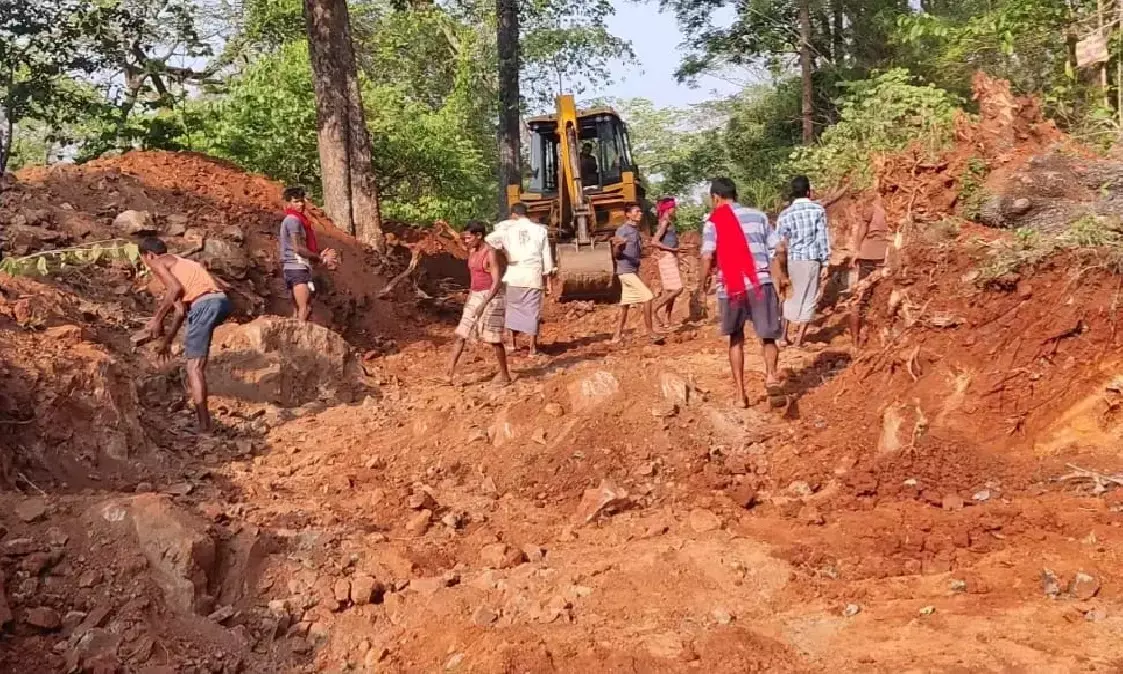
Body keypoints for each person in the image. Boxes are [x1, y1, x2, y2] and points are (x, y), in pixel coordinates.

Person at [699, 178, 783, 408]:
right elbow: (778, 249)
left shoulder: (713, 222)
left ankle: (740, 394)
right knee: (768, 336)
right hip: (760, 282)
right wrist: (781, 279)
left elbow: (707, 257)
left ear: (716, 198)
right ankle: (771, 376)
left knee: (736, 339)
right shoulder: (759, 216)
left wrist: (702, 285)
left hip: (730, 286)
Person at [135, 237, 232, 433]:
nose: (147, 264)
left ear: (149, 255)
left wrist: (157, 319)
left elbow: (175, 289)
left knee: (194, 368)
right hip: (220, 301)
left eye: (144, 259)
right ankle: (204, 422)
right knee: (195, 364)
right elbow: (180, 311)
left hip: (204, 304)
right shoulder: (183, 263)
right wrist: (167, 342)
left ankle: (205, 428)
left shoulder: (158, 263)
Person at [447, 221, 511, 385]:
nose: (466, 241)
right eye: (465, 238)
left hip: (492, 295)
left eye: (468, 238)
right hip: (475, 294)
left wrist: (484, 303)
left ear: (479, 236)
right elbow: (473, 276)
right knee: (461, 334)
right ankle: (448, 375)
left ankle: (505, 375)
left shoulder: (490, 253)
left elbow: (496, 282)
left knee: (493, 338)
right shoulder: (472, 249)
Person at [486, 203, 554, 357]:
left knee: (512, 310)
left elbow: (489, 240)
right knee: (532, 312)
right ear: (526, 213)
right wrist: (548, 282)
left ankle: (512, 344)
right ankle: (532, 348)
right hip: (532, 275)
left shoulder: (506, 229)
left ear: (513, 214)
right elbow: (547, 257)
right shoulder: (540, 230)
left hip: (513, 274)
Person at [775, 175, 830, 347]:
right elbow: (822, 238)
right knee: (809, 297)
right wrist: (826, 261)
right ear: (808, 192)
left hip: (792, 259)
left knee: (790, 295)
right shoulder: (817, 210)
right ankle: (799, 339)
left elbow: (780, 243)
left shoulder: (785, 214)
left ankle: (783, 337)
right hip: (812, 259)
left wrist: (780, 266)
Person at [279, 186, 336, 322]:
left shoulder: (293, 219)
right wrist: (319, 257)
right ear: (288, 204)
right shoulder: (293, 220)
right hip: (297, 268)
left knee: (298, 309)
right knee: (304, 309)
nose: (301, 204)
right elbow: (298, 248)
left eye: (302, 201)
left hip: (292, 268)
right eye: (296, 201)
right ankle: (300, 340)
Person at [611, 202, 664, 344]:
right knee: (647, 296)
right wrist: (618, 246)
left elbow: (639, 252)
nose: (640, 213)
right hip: (625, 271)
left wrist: (652, 254)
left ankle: (616, 335)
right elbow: (616, 254)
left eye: (640, 211)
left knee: (625, 305)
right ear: (628, 214)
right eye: (637, 211)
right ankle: (650, 332)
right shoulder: (622, 230)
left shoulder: (636, 231)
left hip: (632, 271)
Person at [849, 195, 889, 348]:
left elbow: (862, 230)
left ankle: (856, 343)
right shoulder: (886, 209)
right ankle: (859, 342)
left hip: (872, 254)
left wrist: (856, 251)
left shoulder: (872, 207)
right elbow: (862, 229)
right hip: (881, 256)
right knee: (869, 297)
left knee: (861, 297)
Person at [650, 197, 684, 327]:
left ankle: (667, 320)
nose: (675, 210)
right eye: (673, 208)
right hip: (667, 257)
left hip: (671, 256)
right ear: (668, 209)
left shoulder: (668, 221)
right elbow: (654, 241)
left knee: (672, 291)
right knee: (678, 289)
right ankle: (655, 308)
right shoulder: (664, 222)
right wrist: (673, 249)